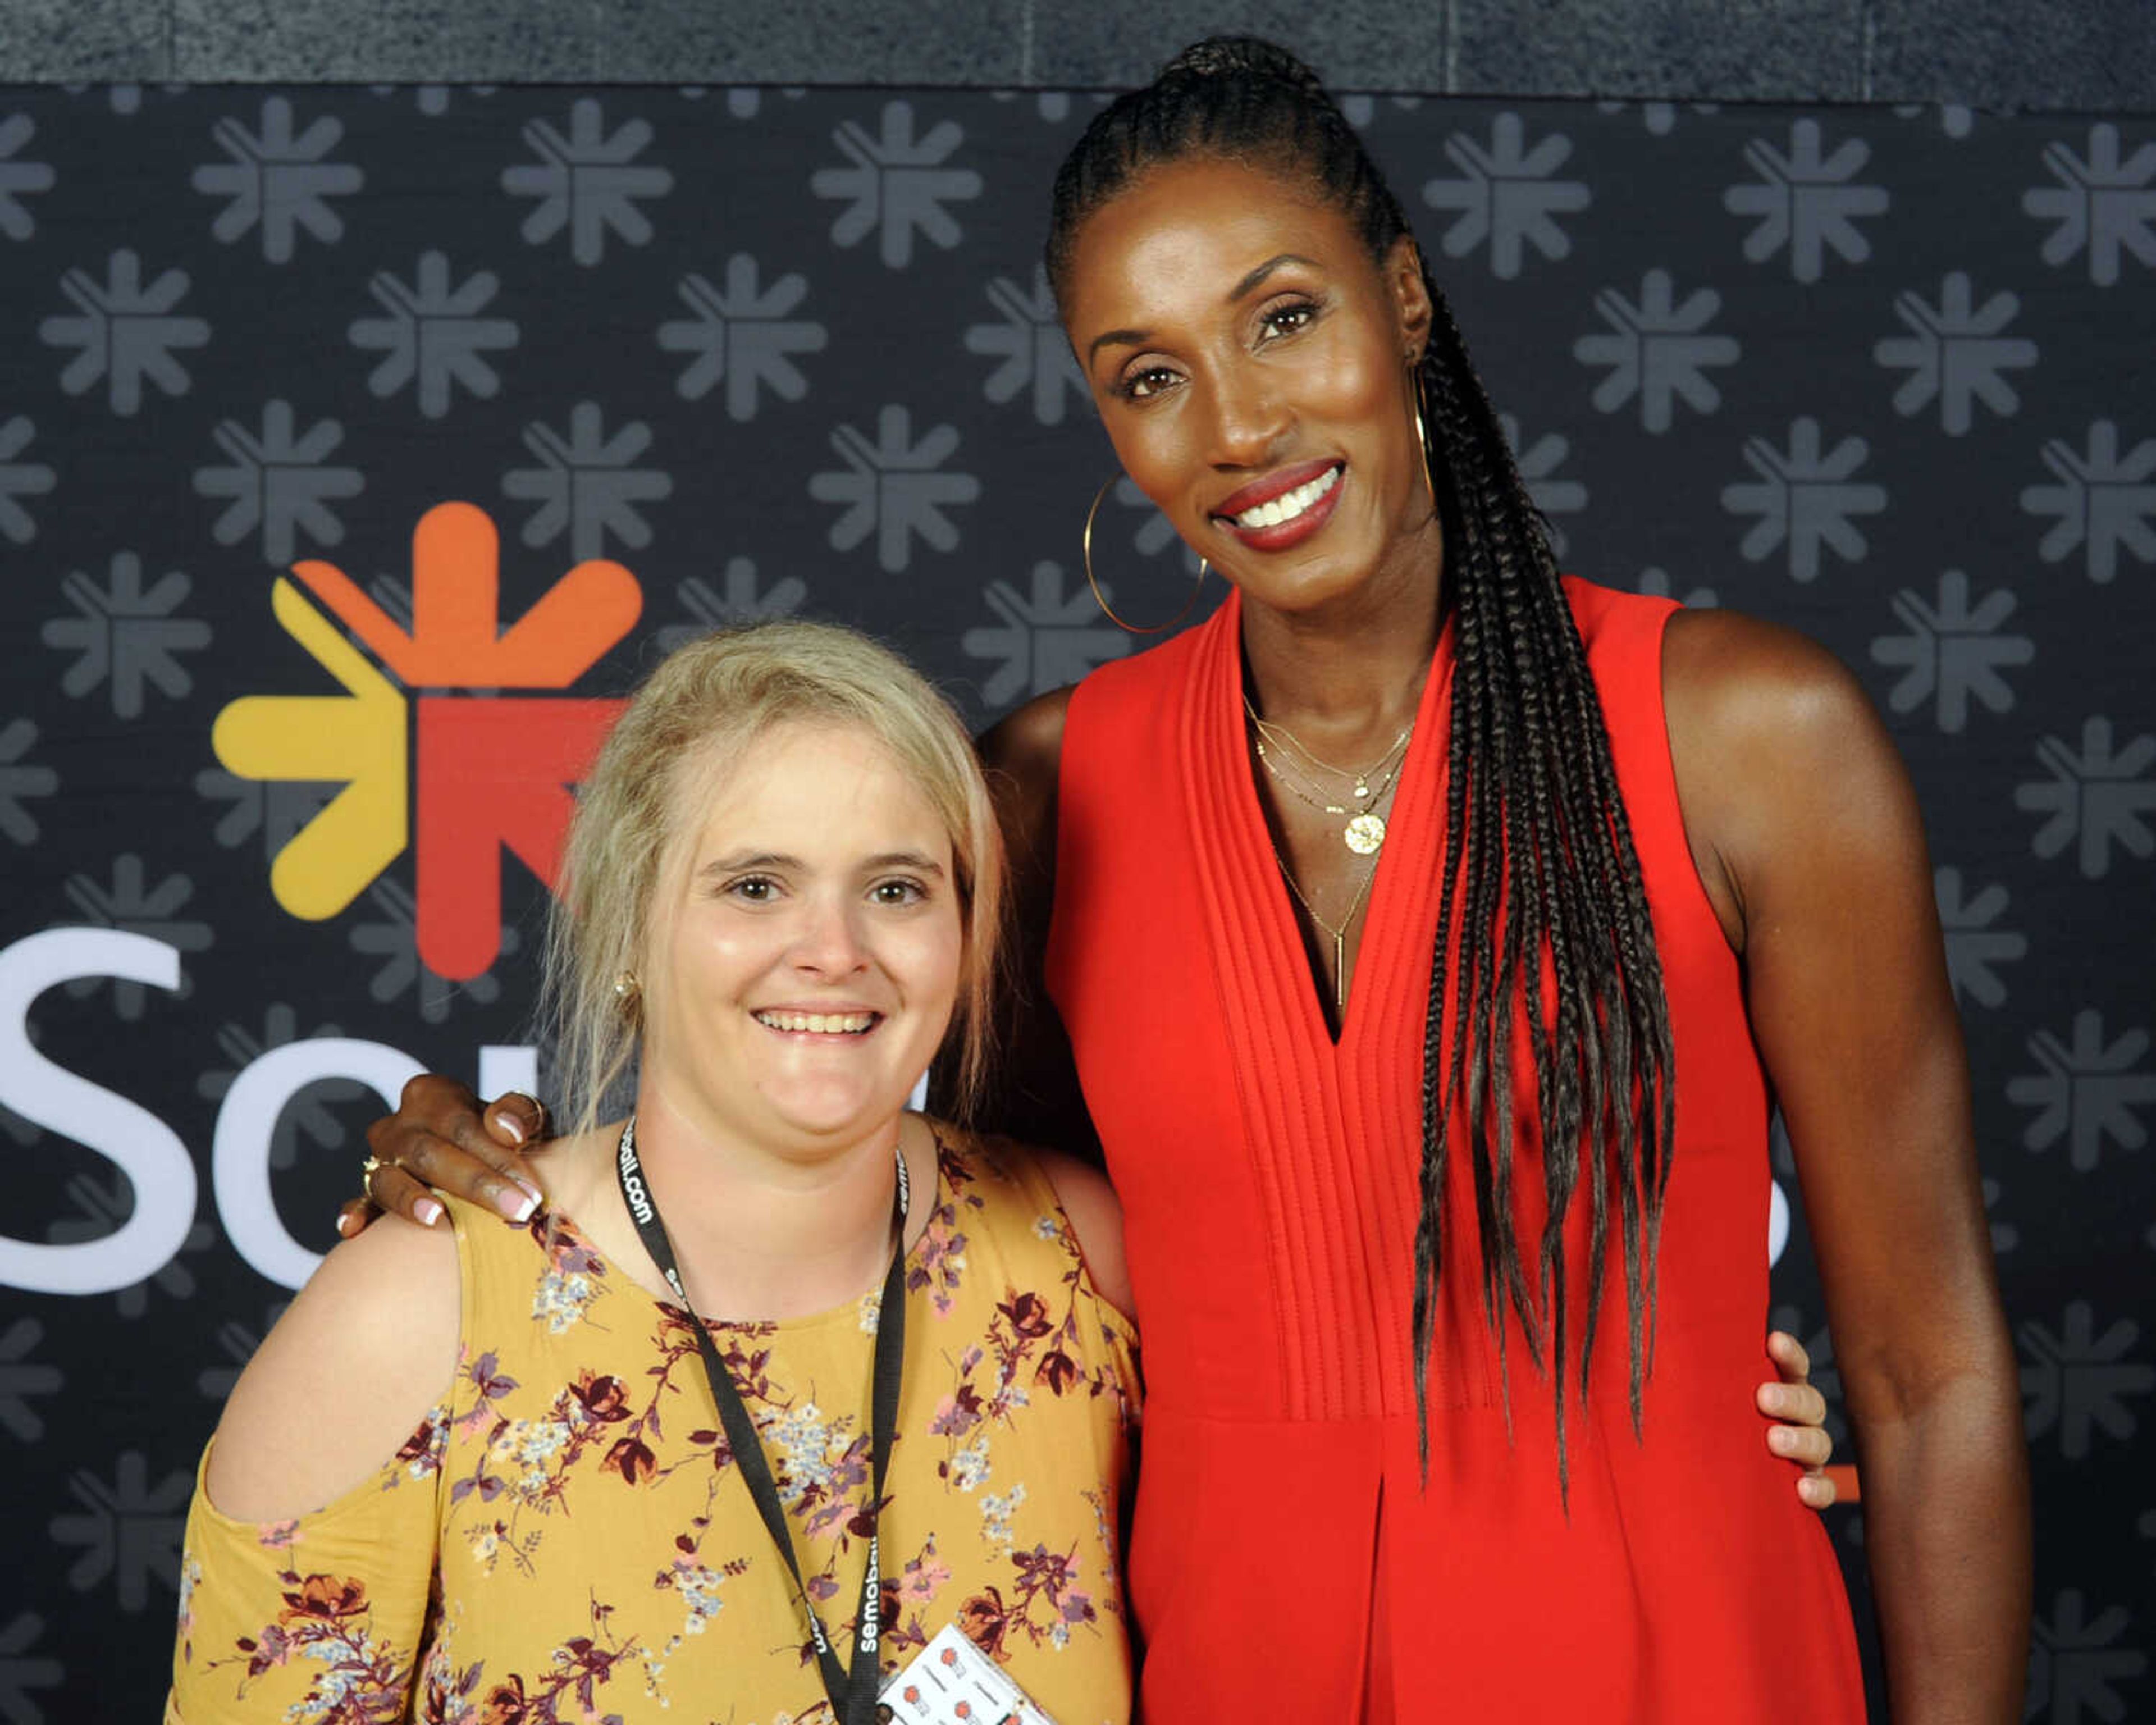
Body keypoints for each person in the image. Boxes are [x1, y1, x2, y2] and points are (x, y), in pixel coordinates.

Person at [349, 38, 2028, 1722]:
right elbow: (934, 1258)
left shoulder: (1746, 737)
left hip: (1677, 1660)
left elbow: (1928, 1369)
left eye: (1284, 317)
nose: (1238, 426)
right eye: (1146, 376)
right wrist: (503, 1200)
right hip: (1229, 1674)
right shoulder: (1048, 792)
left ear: (1406, 298)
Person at [168, 623, 1143, 1724]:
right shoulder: (410, 1318)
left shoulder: (1077, 1263)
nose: (834, 949)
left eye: (897, 889)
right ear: (630, 925)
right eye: (756, 886)